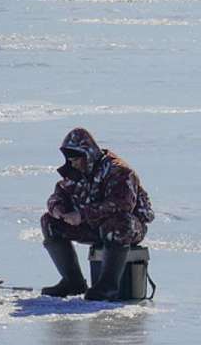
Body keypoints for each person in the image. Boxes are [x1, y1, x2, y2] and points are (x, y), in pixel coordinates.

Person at [40, 127, 154, 300]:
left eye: (76, 158)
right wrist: (58, 210)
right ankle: (73, 281)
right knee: (49, 222)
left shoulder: (118, 171)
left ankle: (108, 286)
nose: (72, 163)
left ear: (88, 154)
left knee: (118, 223)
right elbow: (57, 196)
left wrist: (82, 215)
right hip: (94, 227)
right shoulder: (74, 172)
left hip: (128, 228)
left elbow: (122, 204)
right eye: (69, 159)